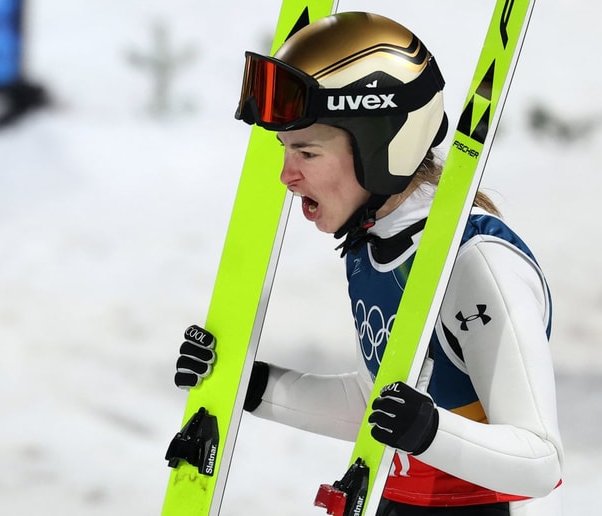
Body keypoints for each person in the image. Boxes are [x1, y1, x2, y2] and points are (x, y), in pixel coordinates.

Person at [173, 11, 563, 516]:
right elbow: (380, 402)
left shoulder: (477, 263)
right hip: (394, 500)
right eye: (285, 150)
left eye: (307, 153)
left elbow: (540, 461)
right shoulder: (373, 244)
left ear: (382, 148)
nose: (286, 175)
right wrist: (250, 385)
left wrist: (425, 429)